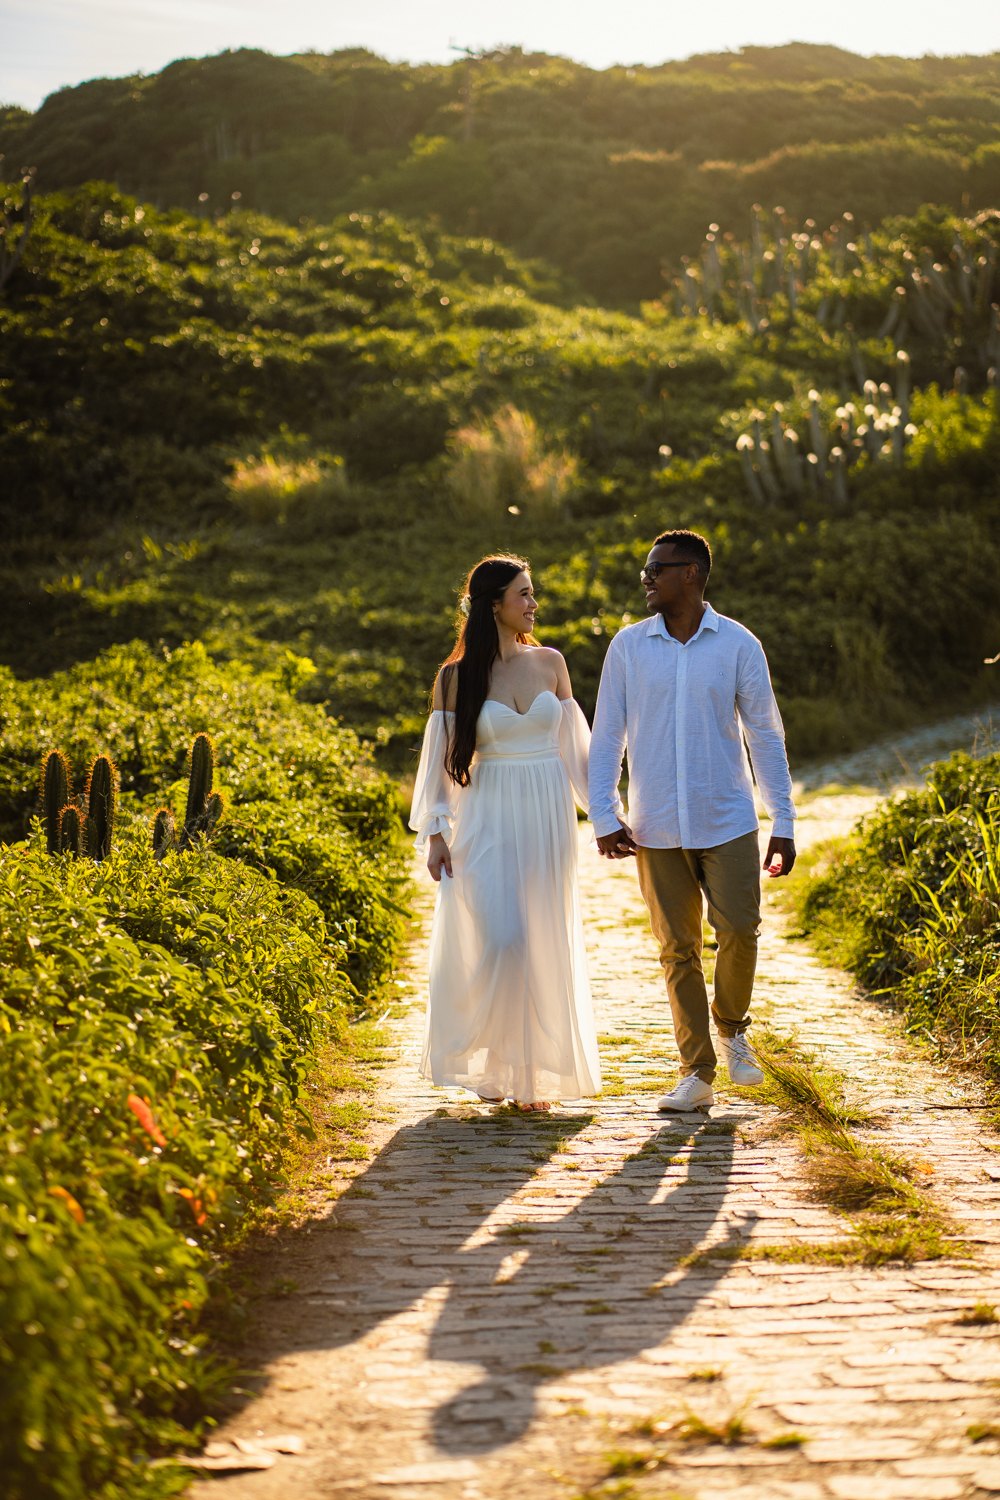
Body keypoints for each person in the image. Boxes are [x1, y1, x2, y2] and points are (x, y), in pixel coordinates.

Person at [588, 528, 796, 1113]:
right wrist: (604, 812)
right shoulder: (628, 647)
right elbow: (608, 735)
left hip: (727, 817)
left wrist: (784, 818)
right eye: (645, 569)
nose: (646, 578)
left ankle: (732, 1027)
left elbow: (765, 735)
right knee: (677, 949)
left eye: (658, 568)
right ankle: (696, 1072)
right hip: (653, 826)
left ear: (693, 575)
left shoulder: (738, 645)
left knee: (739, 932)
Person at [409, 554, 600, 1111]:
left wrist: (608, 816)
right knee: (502, 939)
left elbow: (579, 754)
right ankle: (491, 1058)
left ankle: (525, 1079)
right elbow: (440, 763)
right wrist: (437, 833)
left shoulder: (551, 664)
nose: (534, 604)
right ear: (495, 604)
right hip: (487, 818)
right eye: (524, 594)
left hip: (547, 819)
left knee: (539, 939)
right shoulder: (456, 677)